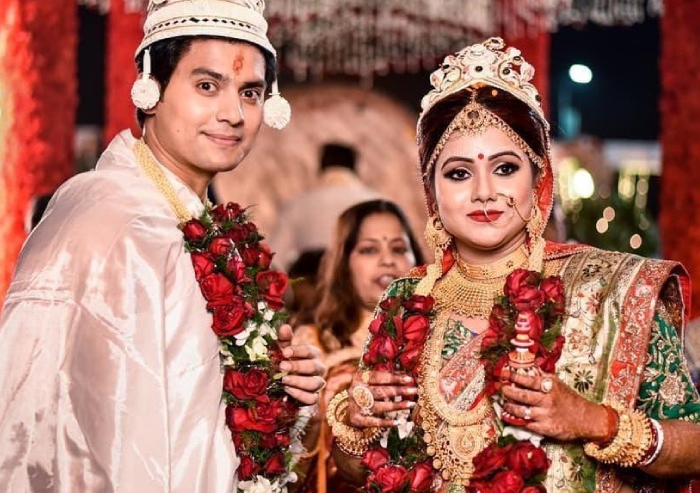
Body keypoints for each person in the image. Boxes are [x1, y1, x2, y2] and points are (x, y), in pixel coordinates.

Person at [0, 0, 324, 491]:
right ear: (150, 88)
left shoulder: (203, 223)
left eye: (249, 92)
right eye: (207, 85)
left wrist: (277, 381)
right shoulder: (105, 215)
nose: (233, 112)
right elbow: (56, 425)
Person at [327, 37, 700, 492]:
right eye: (459, 173)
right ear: (432, 191)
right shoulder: (406, 300)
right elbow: (359, 469)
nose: (484, 191)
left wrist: (594, 421)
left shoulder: (611, 291)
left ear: (538, 177)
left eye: (505, 168)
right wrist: (356, 420)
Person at [292, 199, 424, 493]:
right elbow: (290, 459)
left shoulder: (437, 336)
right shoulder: (311, 343)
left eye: (399, 248)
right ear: (344, 262)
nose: (387, 259)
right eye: (369, 249)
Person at [269, 142, 380, 271]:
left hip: (312, 284)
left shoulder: (297, 205)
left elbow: (275, 260)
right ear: (355, 168)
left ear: (321, 167)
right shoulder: (377, 203)